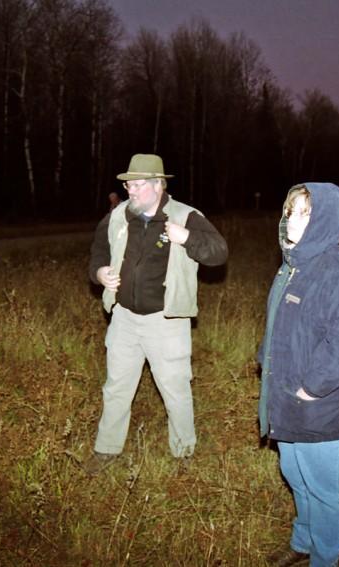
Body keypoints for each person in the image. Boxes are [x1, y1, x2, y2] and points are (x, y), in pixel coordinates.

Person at [85, 153, 228, 474]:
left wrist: (188, 238)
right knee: (116, 388)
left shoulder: (186, 216)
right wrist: (100, 272)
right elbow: (98, 249)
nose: (129, 191)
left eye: (136, 185)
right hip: (123, 318)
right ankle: (106, 451)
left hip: (167, 322)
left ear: (158, 186)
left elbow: (219, 253)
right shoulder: (119, 216)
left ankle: (184, 454)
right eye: (128, 185)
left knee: (175, 390)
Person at [257, 183, 339, 566]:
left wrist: (312, 388)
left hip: (321, 405)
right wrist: (266, 360)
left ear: (325, 220)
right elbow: (281, 324)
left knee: (323, 487)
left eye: (305, 213)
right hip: (287, 396)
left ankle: (324, 558)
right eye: (291, 211)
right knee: (294, 473)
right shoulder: (293, 265)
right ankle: (303, 543)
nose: (293, 220)